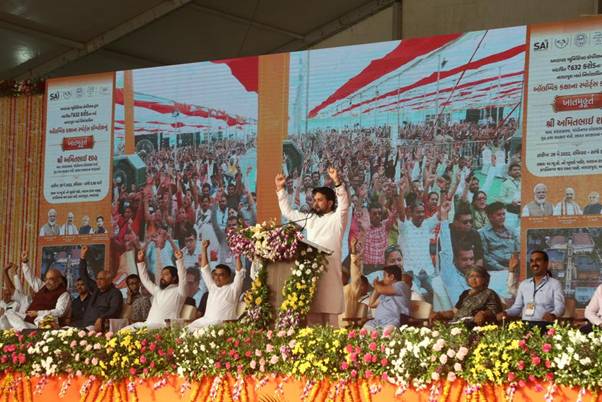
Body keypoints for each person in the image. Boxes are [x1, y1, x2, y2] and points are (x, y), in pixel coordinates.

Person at [275, 167, 349, 326]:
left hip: (331, 276)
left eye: (320, 200)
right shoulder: (310, 219)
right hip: (312, 277)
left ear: (330, 203)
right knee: (312, 324)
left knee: (331, 327)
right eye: (314, 200)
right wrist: (281, 189)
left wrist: (337, 182)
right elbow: (288, 212)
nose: (315, 203)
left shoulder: (337, 219)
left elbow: (344, 203)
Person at [498, 250, 565, 330]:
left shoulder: (555, 284)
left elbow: (560, 307)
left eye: (538, 260)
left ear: (546, 263)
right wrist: (506, 313)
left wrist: (553, 315)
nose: (534, 263)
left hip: (545, 326)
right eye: (532, 261)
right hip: (525, 325)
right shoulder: (524, 284)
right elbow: (517, 308)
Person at [3, 251, 70, 330]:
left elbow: (60, 311)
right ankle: (24, 330)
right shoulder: (43, 286)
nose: (47, 282)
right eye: (46, 279)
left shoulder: (64, 294)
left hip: (42, 322)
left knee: (43, 319)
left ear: (59, 280)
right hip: (28, 321)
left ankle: (25, 331)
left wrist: (38, 313)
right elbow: (31, 278)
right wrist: (25, 262)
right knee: (9, 313)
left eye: (51, 279)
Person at [187, 240, 246, 330]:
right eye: (215, 275)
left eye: (221, 275)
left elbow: (239, 272)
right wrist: (204, 249)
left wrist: (237, 254)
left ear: (228, 277)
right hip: (204, 322)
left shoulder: (234, 288)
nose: (217, 278)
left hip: (221, 326)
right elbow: (205, 269)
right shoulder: (212, 287)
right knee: (185, 331)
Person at [124, 246, 186, 329]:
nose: (162, 277)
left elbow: (183, 277)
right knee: (124, 330)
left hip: (163, 326)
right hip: (148, 324)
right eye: (162, 274)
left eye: (166, 274)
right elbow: (145, 280)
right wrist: (141, 261)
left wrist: (180, 260)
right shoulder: (158, 291)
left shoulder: (179, 291)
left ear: (174, 278)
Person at [431, 265, 503, 326]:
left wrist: (483, 313)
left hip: (476, 326)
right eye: (471, 276)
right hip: (457, 324)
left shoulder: (489, 293)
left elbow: (494, 312)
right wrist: (441, 314)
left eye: (477, 276)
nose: (473, 279)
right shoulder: (465, 293)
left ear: (484, 279)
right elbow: (455, 312)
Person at [479, 202, 519, 301]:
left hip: (515, 268)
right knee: (504, 298)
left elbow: (518, 250)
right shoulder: (482, 233)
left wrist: (515, 266)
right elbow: (485, 256)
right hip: (496, 271)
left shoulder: (511, 230)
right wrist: (504, 269)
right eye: (499, 215)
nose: (502, 217)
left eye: (503, 214)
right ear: (490, 217)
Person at [77, 245, 123, 331]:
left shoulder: (115, 293)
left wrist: (102, 318)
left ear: (109, 280)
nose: (98, 281)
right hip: (84, 323)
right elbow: (84, 276)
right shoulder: (96, 289)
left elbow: (114, 310)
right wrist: (82, 257)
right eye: (97, 279)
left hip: (97, 325)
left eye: (101, 279)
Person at [363, 265, 410, 331]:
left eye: (384, 276)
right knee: (364, 332)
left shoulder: (401, 285)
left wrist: (376, 283)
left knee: (386, 334)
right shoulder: (385, 292)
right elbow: (371, 304)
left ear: (391, 277)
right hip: (377, 321)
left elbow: (380, 289)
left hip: (393, 321)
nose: (383, 279)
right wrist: (378, 286)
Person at [341, 238, 372, 327]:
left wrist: (353, 252)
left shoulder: (350, 289)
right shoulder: (331, 290)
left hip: (344, 327)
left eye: (341, 274)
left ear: (346, 277)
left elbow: (356, 277)